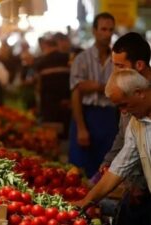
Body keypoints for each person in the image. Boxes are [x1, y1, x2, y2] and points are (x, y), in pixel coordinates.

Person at [73, 68, 151, 224]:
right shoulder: (136, 124)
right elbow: (120, 167)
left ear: (139, 93)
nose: (123, 112)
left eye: (124, 104)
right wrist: (86, 201)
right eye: (119, 107)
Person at [98, 32, 151, 225]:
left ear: (139, 65)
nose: (115, 72)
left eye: (120, 66)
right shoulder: (126, 92)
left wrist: (140, 185)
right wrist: (109, 160)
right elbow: (125, 138)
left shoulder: (141, 99)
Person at [69, 12, 119, 177]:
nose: (107, 34)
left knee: (106, 168)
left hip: (110, 117)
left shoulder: (117, 61)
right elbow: (77, 92)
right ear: (94, 31)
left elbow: (120, 91)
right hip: (86, 115)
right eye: (103, 29)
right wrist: (81, 128)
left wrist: (94, 86)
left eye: (110, 30)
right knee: (81, 169)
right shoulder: (82, 59)